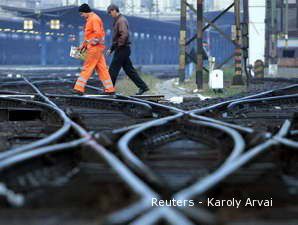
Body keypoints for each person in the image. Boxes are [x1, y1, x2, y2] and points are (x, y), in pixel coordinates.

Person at [106, 4, 149, 95]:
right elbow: (117, 37)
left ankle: (109, 90)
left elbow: (124, 34)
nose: (110, 15)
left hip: (122, 49)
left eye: (110, 13)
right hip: (123, 48)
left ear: (114, 10)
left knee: (113, 69)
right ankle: (143, 87)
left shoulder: (121, 21)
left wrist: (118, 46)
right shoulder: (119, 20)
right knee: (129, 70)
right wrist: (111, 49)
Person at [73, 3, 115, 95]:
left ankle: (78, 88)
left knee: (87, 67)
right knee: (102, 69)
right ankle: (110, 89)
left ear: (86, 11)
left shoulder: (94, 19)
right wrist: (82, 46)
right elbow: (89, 36)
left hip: (94, 48)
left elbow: (98, 34)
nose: (81, 15)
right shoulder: (91, 19)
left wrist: (91, 43)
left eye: (82, 13)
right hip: (97, 48)